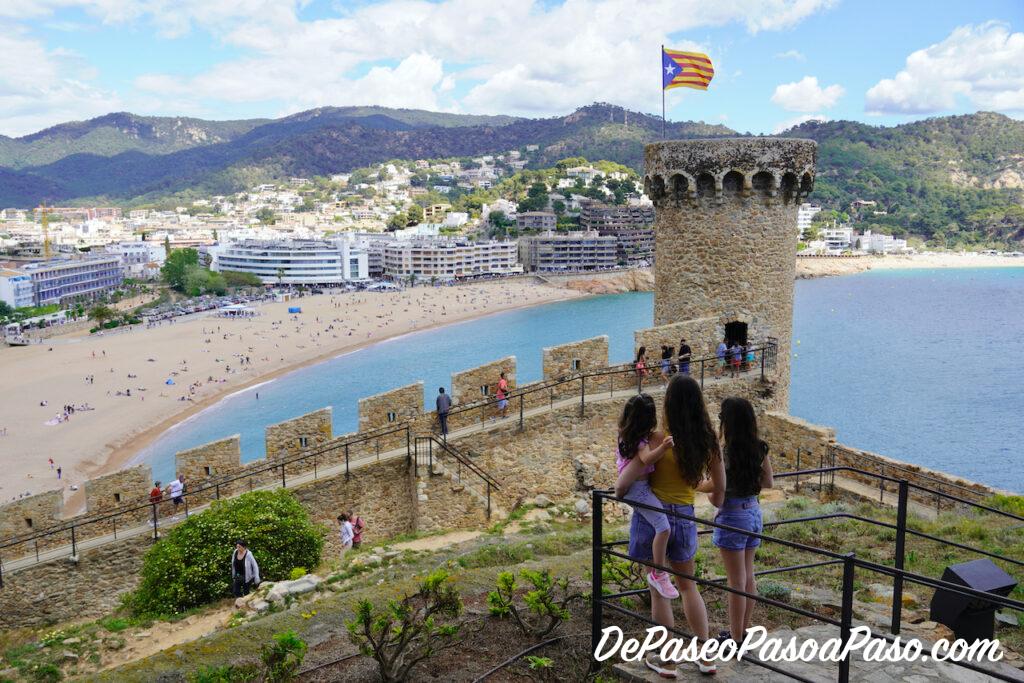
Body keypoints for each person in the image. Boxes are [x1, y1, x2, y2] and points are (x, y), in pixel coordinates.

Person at [617, 374, 725, 677]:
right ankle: (706, 656)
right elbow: (719, 488)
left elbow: (630, 476)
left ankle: (667, 661)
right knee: (689, 587)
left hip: (655, 517)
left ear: (668, 404)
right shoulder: (708, 440)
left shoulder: (655, 439)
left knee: (658, 588)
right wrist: (696, 485)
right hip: (686, 516)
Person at [700, 397, 773, 645]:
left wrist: (700, 487)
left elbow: (717, 495)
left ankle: (734, 638)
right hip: (754, 512)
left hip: (733, 516)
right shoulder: (760, 448)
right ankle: (743, 631)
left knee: (736, 581)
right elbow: (768, 483)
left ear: (727, 423)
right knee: (748, 576)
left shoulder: (726, 453)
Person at [614, 394, 678, 599]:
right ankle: (660, 573)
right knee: (663, 527)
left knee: (659, 526)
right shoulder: (641, 441)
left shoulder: (625, 435)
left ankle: (658, 571)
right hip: (638, 489)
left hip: (637, 488)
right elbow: (646, 459)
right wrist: (664, 447)